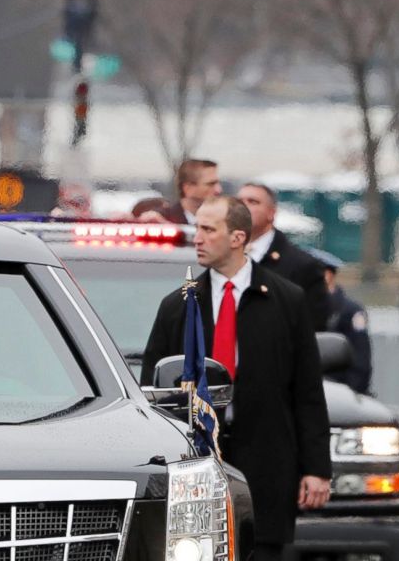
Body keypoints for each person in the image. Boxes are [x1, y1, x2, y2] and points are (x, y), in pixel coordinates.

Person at [142, 195, 330, 561]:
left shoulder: (286, 300)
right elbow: (154, 392)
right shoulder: (181, 303)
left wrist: (316, 468)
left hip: (268, 465)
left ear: (238, 238)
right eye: (196, 227)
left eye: (207, 229)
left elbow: (307, 392)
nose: (196, 237)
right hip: (201, 467)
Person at [238, 181, 330, 331]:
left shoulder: (303, 266)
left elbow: (314, 327)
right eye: (239, 202)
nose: (243, 207)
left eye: (253, 202)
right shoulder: (220, 259)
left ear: (271, 213)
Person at [308, 247, 372, 395]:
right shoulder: (304, 305)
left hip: (339, 390)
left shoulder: (349, 311)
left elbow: (360, 358)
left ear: (328, 275)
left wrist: (353, 392)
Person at [156, 159, 221, 224]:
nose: (218, 190)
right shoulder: (161, 221)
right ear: (188, 189)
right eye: (210, 184)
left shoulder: (222, 220)